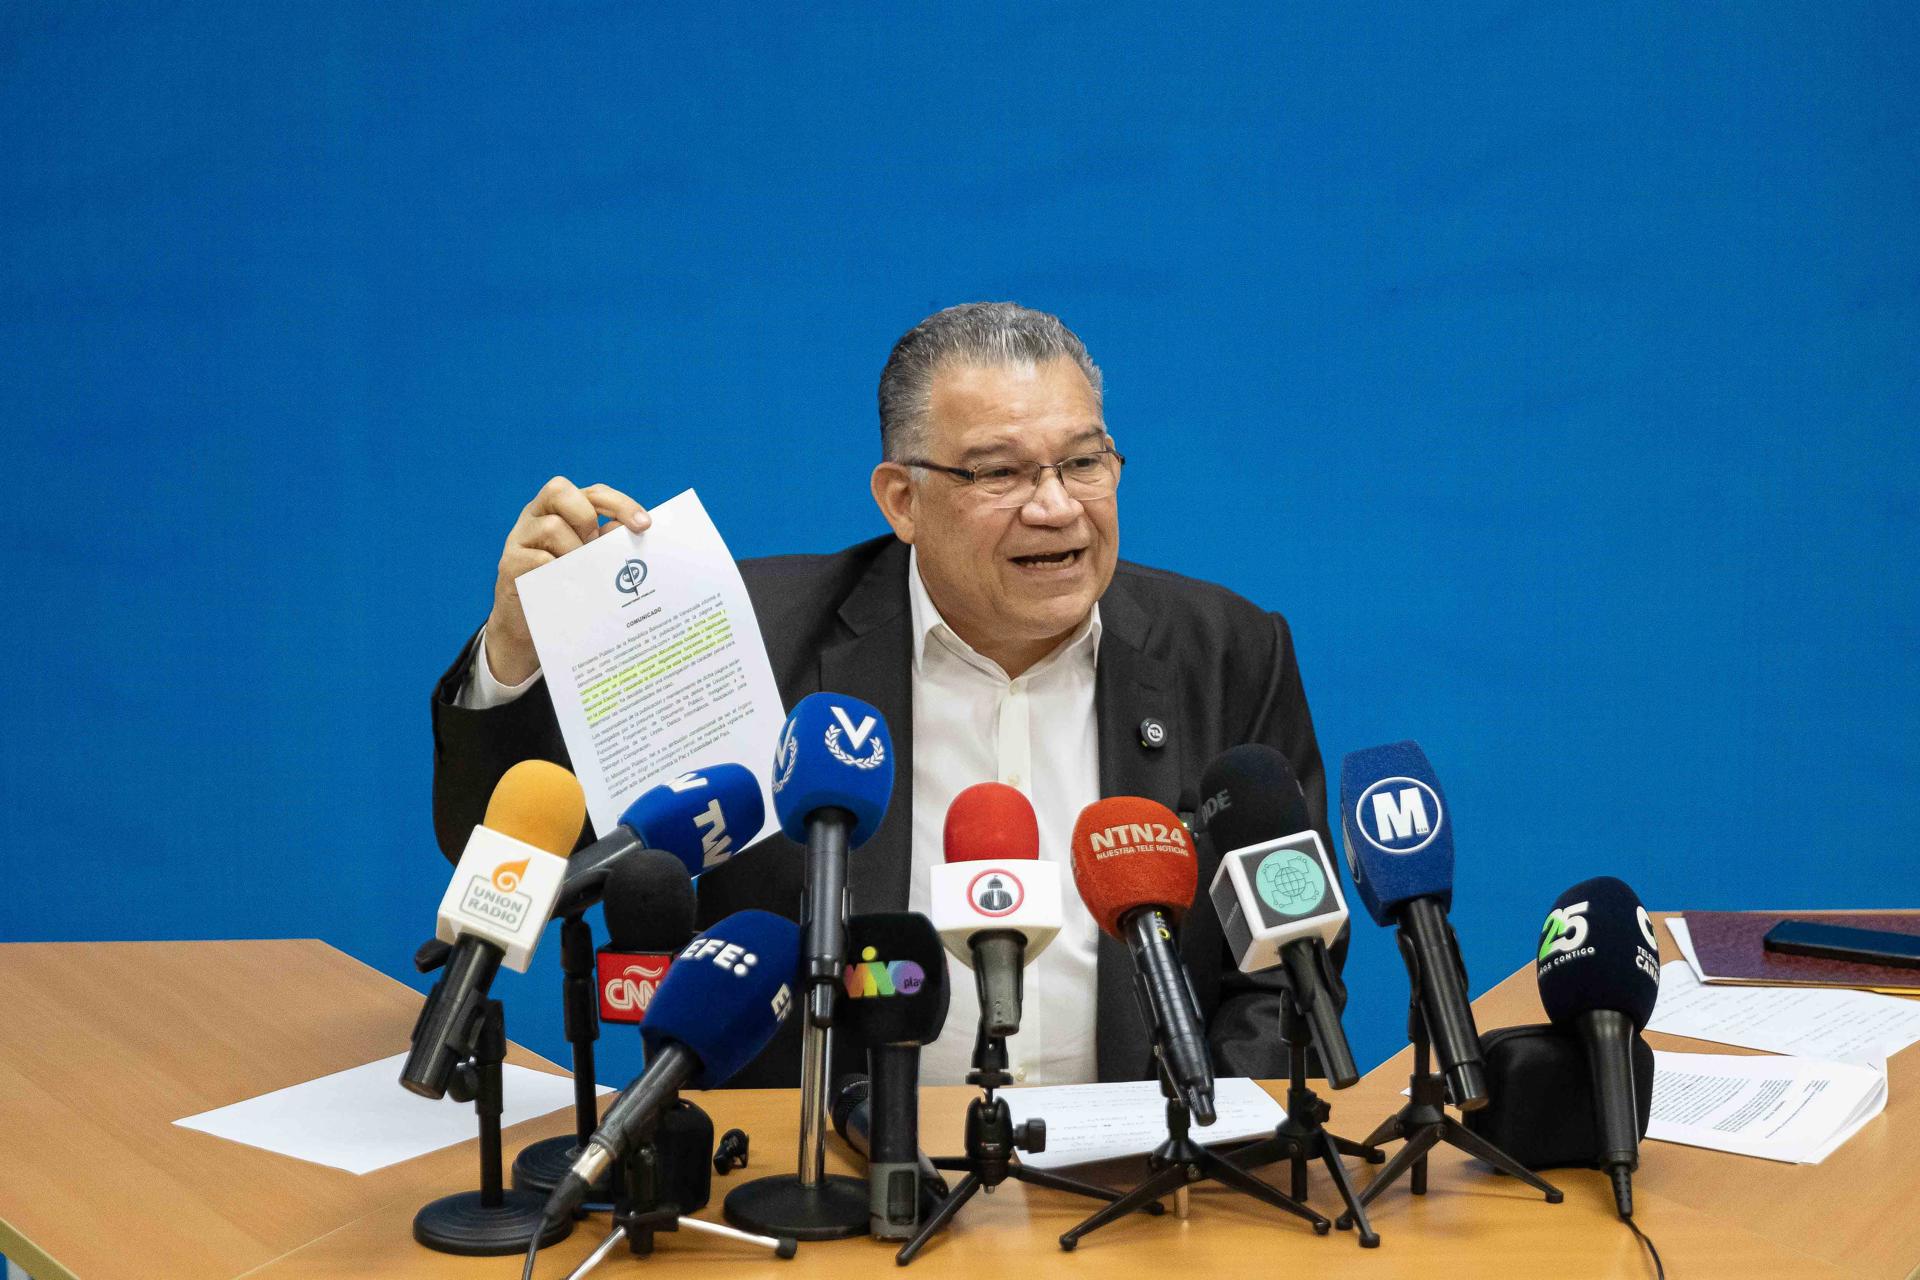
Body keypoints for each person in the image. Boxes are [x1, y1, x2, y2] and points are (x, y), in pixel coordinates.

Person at [431, 302, 1338, 1088]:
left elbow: (1288, 964)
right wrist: (516, 653)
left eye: (1084, 462)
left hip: (1147, 1174)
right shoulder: (750, 639)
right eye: (1000, 472)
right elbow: (522, 857)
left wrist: (1218, 1148)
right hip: (824, 1168)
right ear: (902, 499)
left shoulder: (1227, 651)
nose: (1057, 506)